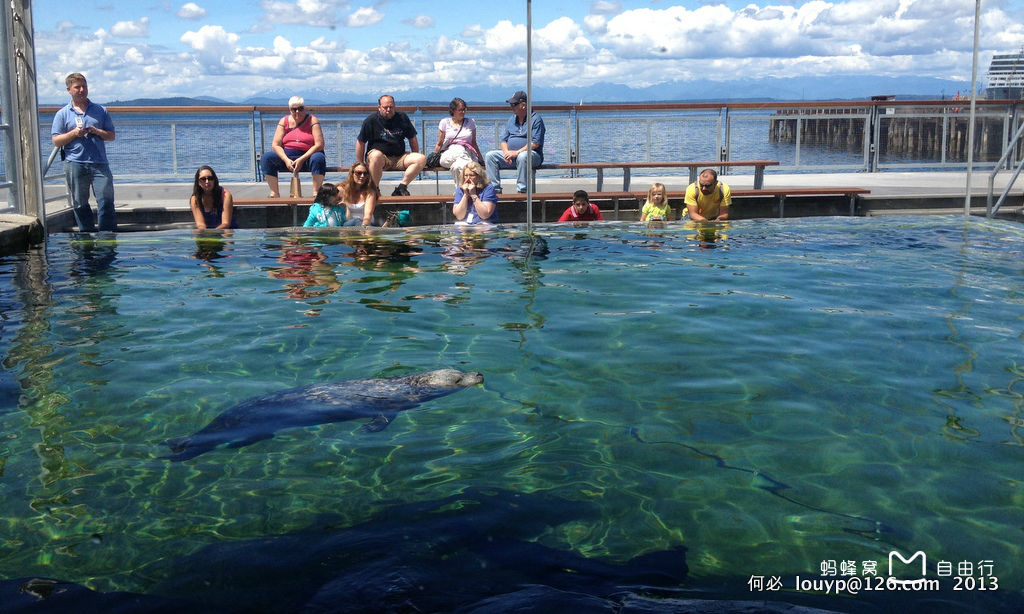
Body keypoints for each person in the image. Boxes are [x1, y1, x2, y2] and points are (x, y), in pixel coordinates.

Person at [50, 72, 117, 232]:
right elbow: (56, 140)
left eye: (84, 86)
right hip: (75, 163)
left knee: (106, 200)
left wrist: (97, 131)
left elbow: (111, 136)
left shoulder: (101, 110)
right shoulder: (63, 113)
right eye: (77, 87)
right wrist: (74, 133)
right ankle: (86, 234)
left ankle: (107, 236)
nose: (81, 90)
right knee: (80, 202)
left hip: (100, 163)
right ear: (69, 90)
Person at [356, 95, 426, 196]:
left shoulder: (402, 117)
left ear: (395, 106)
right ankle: (374, 189)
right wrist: (359, 163)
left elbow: (412, 138)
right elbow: (361, 142)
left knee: (421, 158)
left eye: (391, 107)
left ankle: (402, 187)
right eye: (385, 107)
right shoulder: (371, 120)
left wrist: (415, 154)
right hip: (380, 158)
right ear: (379, 107)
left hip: (399, 158)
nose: (388, 110)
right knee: (376, 156)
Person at [261, 96, 326, 198]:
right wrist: (286, 160)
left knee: (318, 158)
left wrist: (301, 159)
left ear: (305, 108)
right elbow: (275, 144)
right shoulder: (283, 121)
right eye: (294, 109)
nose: (297, 112)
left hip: (307, 157)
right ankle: (274, 193)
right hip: (288, 158)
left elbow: (319, 144)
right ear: (289, 109)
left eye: (300, 108)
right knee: (267, 158)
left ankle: (316, 192)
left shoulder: (313, 120)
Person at [484, 90, 545, 194]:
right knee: (490, 156)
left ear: (524, 105)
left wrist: (516, 152)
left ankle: (522, 191)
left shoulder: (536, 119)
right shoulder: (512, 119)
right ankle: (494, 190)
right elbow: (503, 140)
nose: (511, 107)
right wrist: (506, 153)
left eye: (514, 104)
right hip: (512, 155)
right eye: (511, 104)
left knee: (523, 156)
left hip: (532, 156)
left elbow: (535, 143)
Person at [432, 97, 481, 185]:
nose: (463, 112)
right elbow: (440, 143)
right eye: (460, 110)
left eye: (464, 109)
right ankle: (469, 163)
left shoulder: (470, 122)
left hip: (466, 151)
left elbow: (474, 142)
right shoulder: (444, 122)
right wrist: (433, 157)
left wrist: (481, 158)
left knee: (457, 166)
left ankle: (460, 192)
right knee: (458, 150)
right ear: (453, 110)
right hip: (449, 153)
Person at [340, 162, 380, 227]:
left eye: (365, 173)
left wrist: (363, 227)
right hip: (347, 224)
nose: (362, 176)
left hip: (366, 224)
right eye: (359, 173)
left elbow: (368, 215)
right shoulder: (342, 189)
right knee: (355, 221)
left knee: (357, 221)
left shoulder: (370, 192)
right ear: (352, 174)